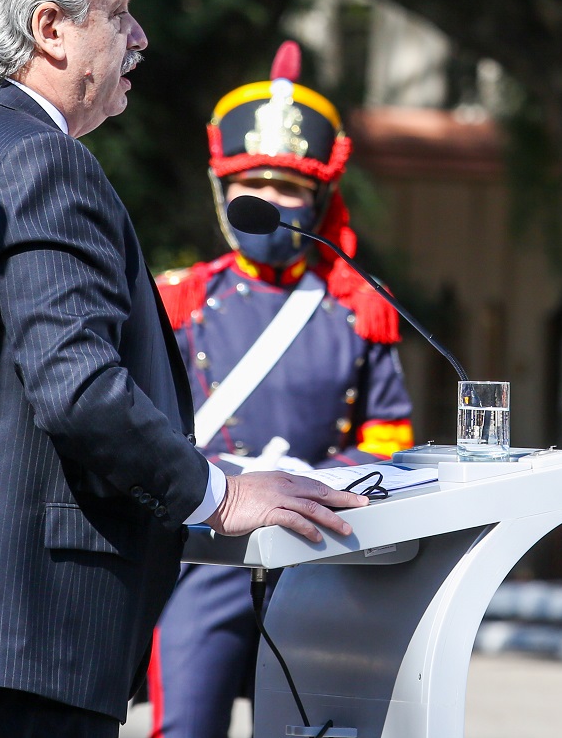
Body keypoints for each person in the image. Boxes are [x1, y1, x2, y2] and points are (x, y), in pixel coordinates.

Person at [0, 0, 368, 738]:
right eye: (117, 13)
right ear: (49, 29)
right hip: (20, 634)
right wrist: (220, 494)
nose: (140, 35)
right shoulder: (40, 158)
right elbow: (77, 387)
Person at [147, 42, 414, 737]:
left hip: (319, 557)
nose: (270, 200)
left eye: (289, 186)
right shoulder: (179, 301)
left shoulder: (362, 308)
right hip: (205, 553)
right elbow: (143, 427)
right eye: (253, 182)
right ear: (222, 190)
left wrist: (318, 480)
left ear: (319, 198)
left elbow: (388, 436)